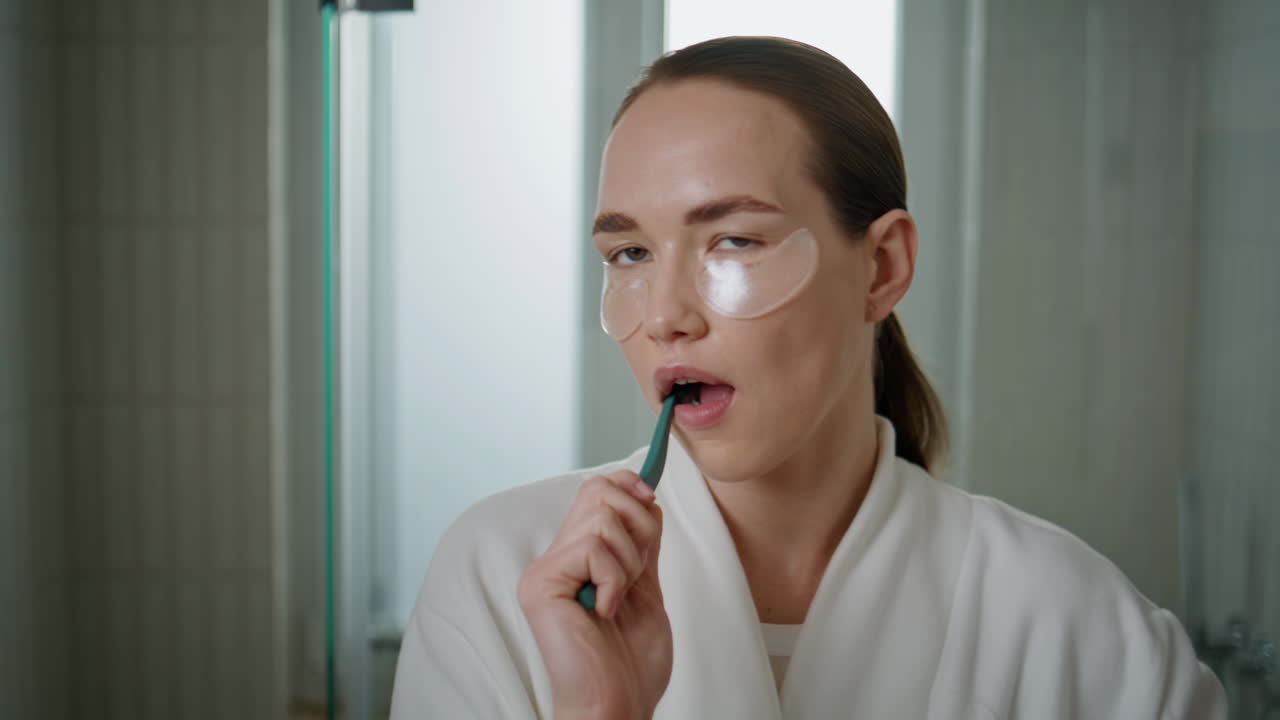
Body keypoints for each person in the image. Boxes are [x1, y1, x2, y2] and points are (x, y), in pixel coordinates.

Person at [389, 36, 1226, 719]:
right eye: (630, 254)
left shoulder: (1082, 629)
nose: (665, 315)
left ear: (883, 268)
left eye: (734, 242)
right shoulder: (499, 579)